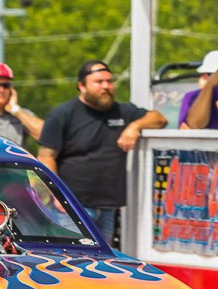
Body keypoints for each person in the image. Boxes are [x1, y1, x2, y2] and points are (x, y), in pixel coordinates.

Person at [37, 60, 167, 245]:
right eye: (99, 82)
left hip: (108, 208)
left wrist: (135, 126)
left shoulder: (122, 111)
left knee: (102, 262)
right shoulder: (62, 114)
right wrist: (58, 196)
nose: (106, 86)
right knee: (71, 260)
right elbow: (46, 157)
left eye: (109, 81)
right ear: (81, 86)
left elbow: (159, 119)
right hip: (72, 208)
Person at [177, 50, 218, 129]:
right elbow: (184, 128)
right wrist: (207, 88)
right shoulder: (191, 97)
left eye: (209, 74)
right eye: (204, 74)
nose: (204, 77)